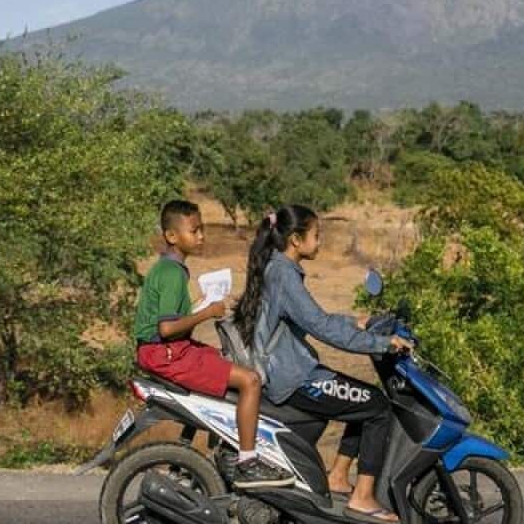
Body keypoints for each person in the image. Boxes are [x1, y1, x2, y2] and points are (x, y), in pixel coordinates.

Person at [234, 205, 413, 522]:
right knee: (378, 407)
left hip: (287, 369)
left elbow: (312, 319)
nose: (320, 242)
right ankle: (362, 497)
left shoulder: (279, 268)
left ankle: (339, 477)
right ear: (295, 239)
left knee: (364, 398)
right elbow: (322, 328)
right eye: (316, 235)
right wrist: (383, 343)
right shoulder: (284, 274)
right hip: (292, 377)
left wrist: (356, 321)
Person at [133, 199, 294, 489]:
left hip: (162, 351)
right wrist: (207, 313)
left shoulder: (167, 268)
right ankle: (247, 461)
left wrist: (201, 304)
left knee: (223, 363)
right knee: (250, 381)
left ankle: (212, 453)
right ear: (172, 236)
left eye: (201, 230)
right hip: (166, 353)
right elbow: (167, 328)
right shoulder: (171, 273)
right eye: (194, 231)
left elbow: (170, 316)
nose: (201, 237)